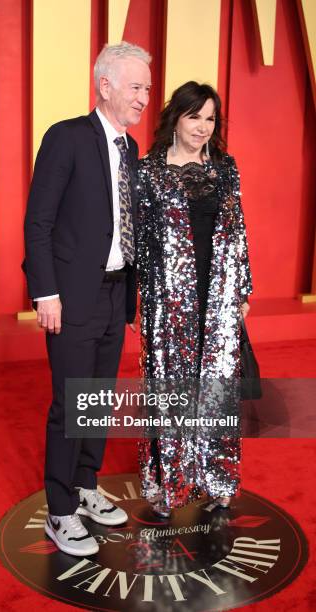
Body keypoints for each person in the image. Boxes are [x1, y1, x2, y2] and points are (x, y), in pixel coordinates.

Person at [23, 42, 152, 555]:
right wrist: (45, 293)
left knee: (98, 400)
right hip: (71, 297)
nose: (145, 97)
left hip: (115, 293)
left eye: (147, 87)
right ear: (106, 86)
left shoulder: (131, 149)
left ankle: (85, 486)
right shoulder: (67, 137)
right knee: (70, 403)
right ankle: (59, 510)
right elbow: (39, 222)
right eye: (137, 87)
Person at [137, 81, 252, 517]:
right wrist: (138, 300)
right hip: (169, 298)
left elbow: (238, 229)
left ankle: (218, 480)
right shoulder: (148, 171)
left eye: (210, 119)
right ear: (175, 118)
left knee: (218, 388)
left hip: (219, 291)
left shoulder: (225, 167)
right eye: (194, 117)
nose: (203, 127)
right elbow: (140, 242)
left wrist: (243, 287)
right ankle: (171, 484)